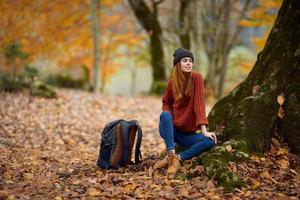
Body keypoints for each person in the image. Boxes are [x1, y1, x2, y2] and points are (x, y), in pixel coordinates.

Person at [153, 48, 217, 177]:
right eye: (185, 61)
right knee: (165, 115)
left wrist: (204, 130)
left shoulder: (197, 78)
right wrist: (170, 118)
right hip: (172, 130)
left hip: (187, 135)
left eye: (190, 61)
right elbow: (166, 103)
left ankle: (175, 159)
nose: (188, 63)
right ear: (178, 64)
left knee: (210, 141)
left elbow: (199, 105)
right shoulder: (171, 83)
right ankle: (171, 152)